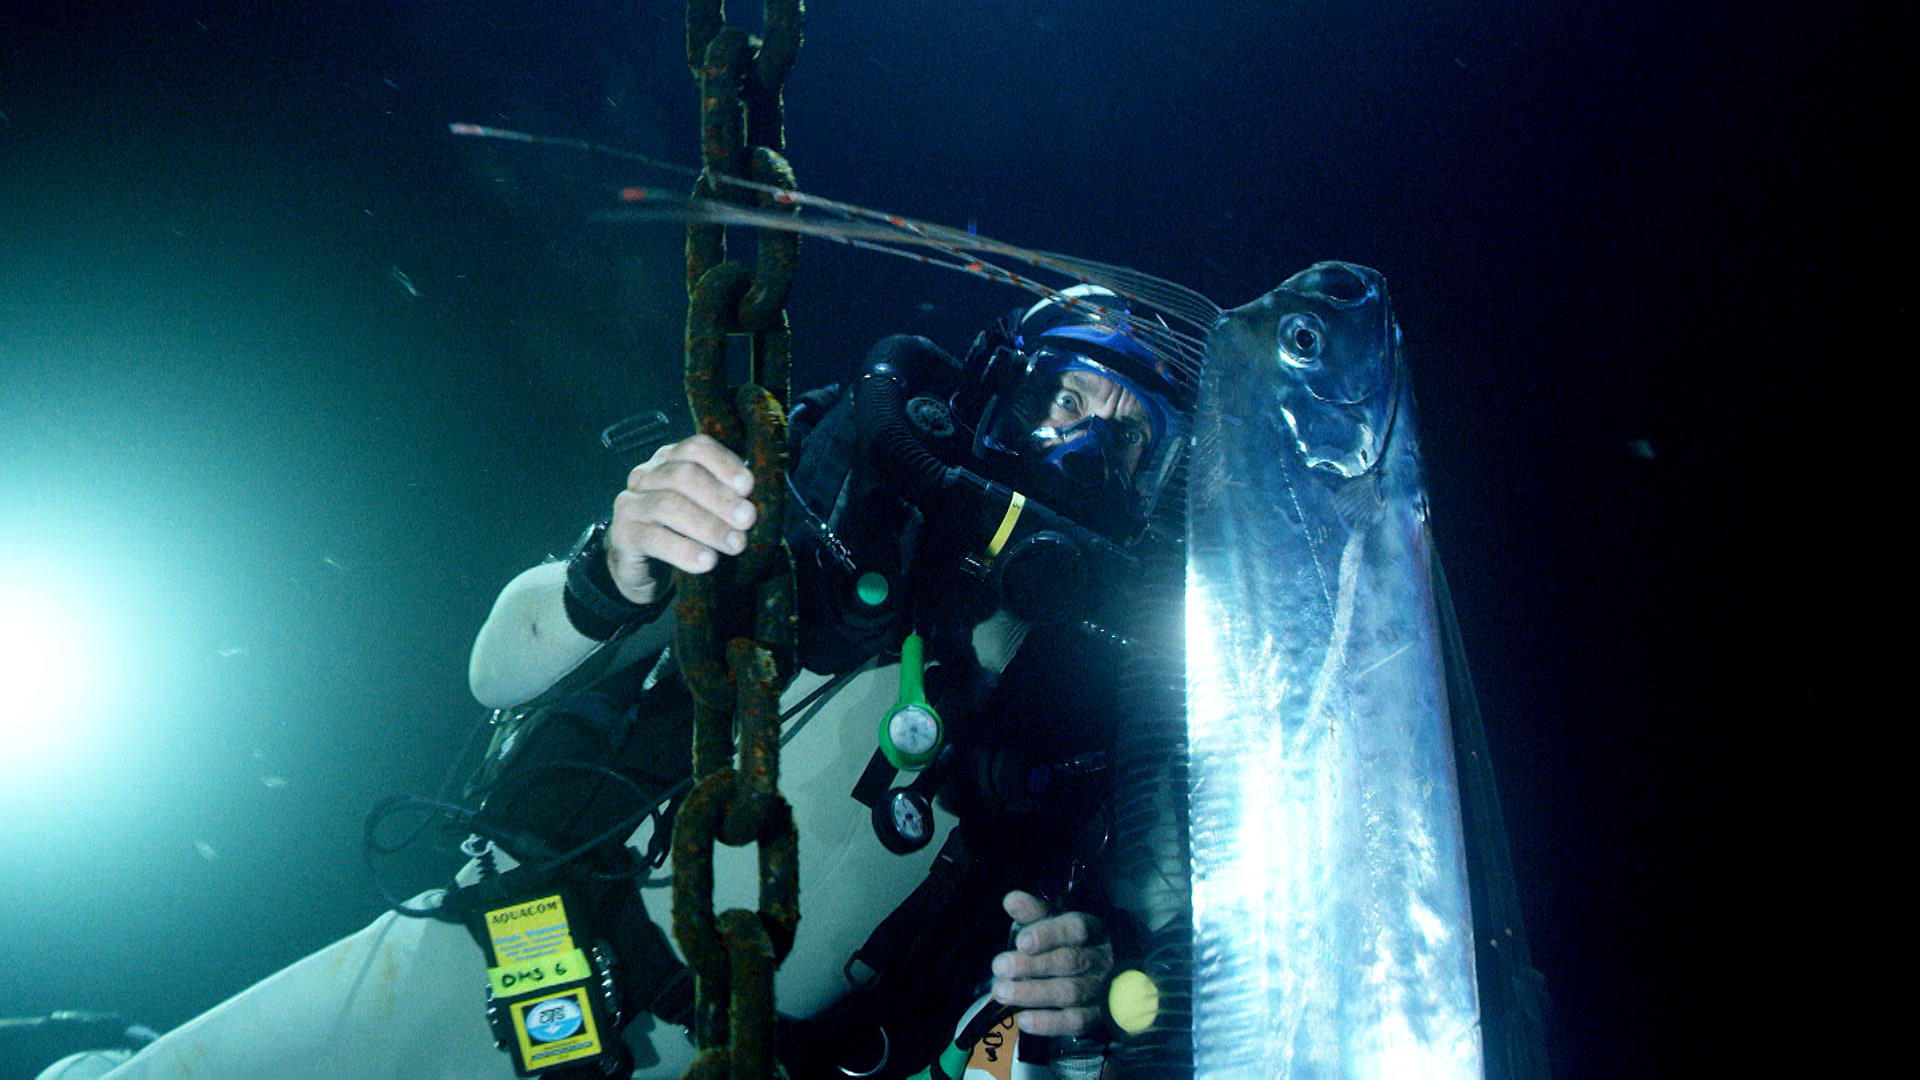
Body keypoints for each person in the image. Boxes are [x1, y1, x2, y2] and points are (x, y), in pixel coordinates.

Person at [92, 286, 1191, 1080]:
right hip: (501, 955)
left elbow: (1003, 1051)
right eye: (1066, 402)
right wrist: (614, 566)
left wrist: (1088, 1013)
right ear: (993, 393)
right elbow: (498, 668)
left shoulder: (1102, 731)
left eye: (1134, 444)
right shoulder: (822, 495)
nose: (1088, 450)